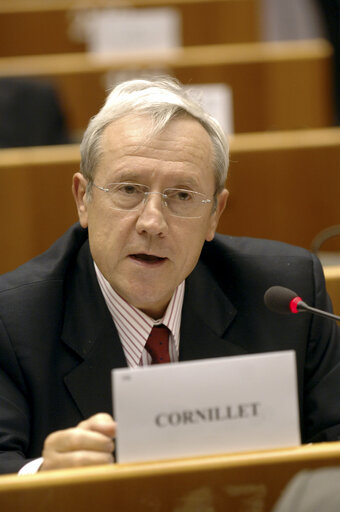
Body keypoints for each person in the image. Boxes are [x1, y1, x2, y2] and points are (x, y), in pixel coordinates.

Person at [0, 76, 340, 476]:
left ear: (215, 213)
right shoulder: (14, 320)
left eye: (182, 196)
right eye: (129, 189)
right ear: (83, 199)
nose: (152, 222)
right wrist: (42, 476)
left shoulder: (286, 298)